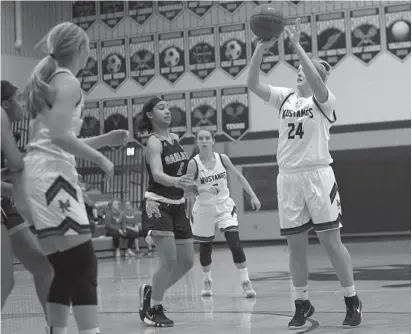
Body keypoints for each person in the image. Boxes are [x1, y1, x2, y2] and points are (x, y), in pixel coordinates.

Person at [247, 19, 362, 329]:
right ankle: (301, 303)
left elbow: (317, 80)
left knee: (331, 242)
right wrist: (260, 49)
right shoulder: (285, 98)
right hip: (288, 178)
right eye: (298, 68)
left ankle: (352, 299)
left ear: (318, 77)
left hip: (318, 176)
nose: (299, 71)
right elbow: (253, 84)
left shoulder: (324, 102)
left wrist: (298, 46)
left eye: (307, 69)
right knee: (295, 248)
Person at [20, 22, 129, 334]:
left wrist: (102, 140)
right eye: (89, 46)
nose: (91, 52)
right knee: (82, 264)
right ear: (80, 49)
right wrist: (100, 158)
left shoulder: (54, 81)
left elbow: (56, 138)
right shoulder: (68, 83)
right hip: (52, 176)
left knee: (65, 267)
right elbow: (57, 137)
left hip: (44, 172)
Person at [138, 96, 196, 327]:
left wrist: (193, 188)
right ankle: (153, 308)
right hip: (157, 204)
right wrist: (178, 182)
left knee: (187, 262)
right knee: (169, 260)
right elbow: (157, 174)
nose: (167, 111)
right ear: (150, 115)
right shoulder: (153, 142)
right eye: (161, 108)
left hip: (177, 204)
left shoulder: (174, 138)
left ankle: (152, 292)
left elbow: (180, 175)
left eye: (168, 108)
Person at [1, 80, 54, 319]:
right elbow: (16, 164)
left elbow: (12, 175)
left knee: (43, 267)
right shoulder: (0, 116)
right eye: (19, 99)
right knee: (4, 281)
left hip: (4, 203)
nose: (23, 104)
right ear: (5, 103)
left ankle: (55, 328)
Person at [187, 129, 260, 298]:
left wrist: (253, 195)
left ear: (213, 141)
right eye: (200, 138)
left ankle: (245, 282)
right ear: (197, 142)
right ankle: (207, 280)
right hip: (204, 208)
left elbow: (239, 177)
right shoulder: (193, 164)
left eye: (207, 138)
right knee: (205, 248)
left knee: (234, 242)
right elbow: (185, 189)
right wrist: (202, 188)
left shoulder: (222, 159)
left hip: (224, 205)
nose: (204, 141)